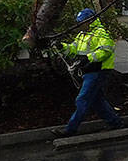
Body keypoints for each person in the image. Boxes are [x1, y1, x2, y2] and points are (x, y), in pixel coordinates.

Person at [53, 9, 123, 137]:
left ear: (89, 20)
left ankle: (70, 130)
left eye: (81, 22)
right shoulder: (82, 35)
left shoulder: (100, 33)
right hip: (89, 71)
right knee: (97, 101)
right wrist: (61, 46)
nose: (79, 25)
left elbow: (106, 50)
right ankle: (116, 123)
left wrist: (88, 58)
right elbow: (73, 48)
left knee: (82, 99)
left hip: (98, 71)